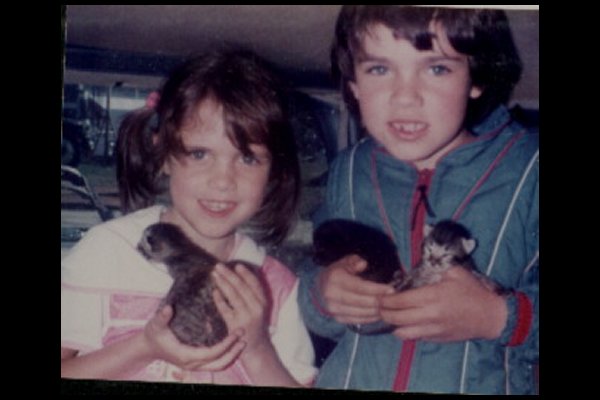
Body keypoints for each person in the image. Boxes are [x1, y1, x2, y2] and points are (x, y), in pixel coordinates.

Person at [297, 6, 538, 395]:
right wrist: (323, 294)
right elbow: (313, 297)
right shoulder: (348, 170)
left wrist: (498, 317)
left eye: (437, 68)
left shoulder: (531, 170)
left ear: (475, 77)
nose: (404, 98)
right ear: (354, 84)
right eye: (379, 69)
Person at [61, 49, 317, 387]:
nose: (223, 180)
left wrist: (257, 349)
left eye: (248, 159)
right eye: (199, 154)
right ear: (163, 155)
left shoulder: (275, 286)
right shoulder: (106, 252)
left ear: (273, 170)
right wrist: (144, 347)